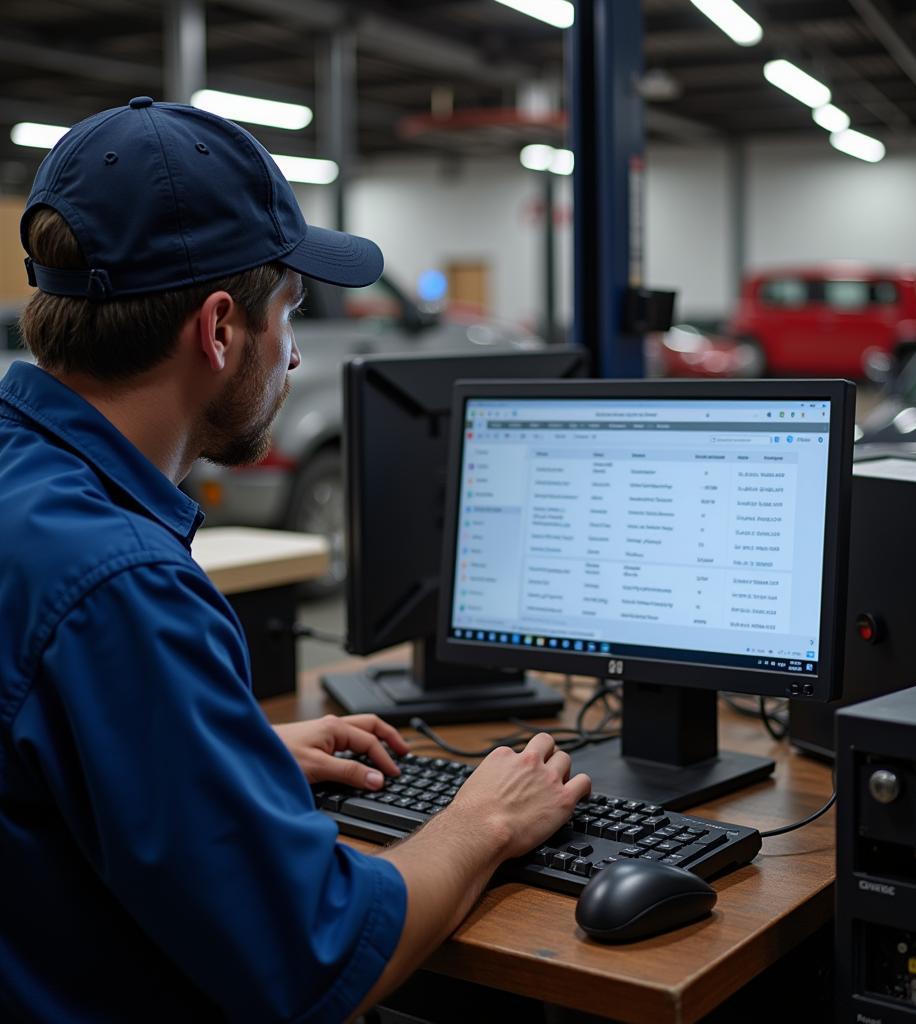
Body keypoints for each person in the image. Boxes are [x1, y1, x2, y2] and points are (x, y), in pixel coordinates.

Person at [0, 97, 590, 1023]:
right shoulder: (123, 585)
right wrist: (486, 821)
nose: (296, 350)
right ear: (220, 328)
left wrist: (224, 758)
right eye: (291, 311)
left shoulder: (25, 491)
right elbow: (312, 960)